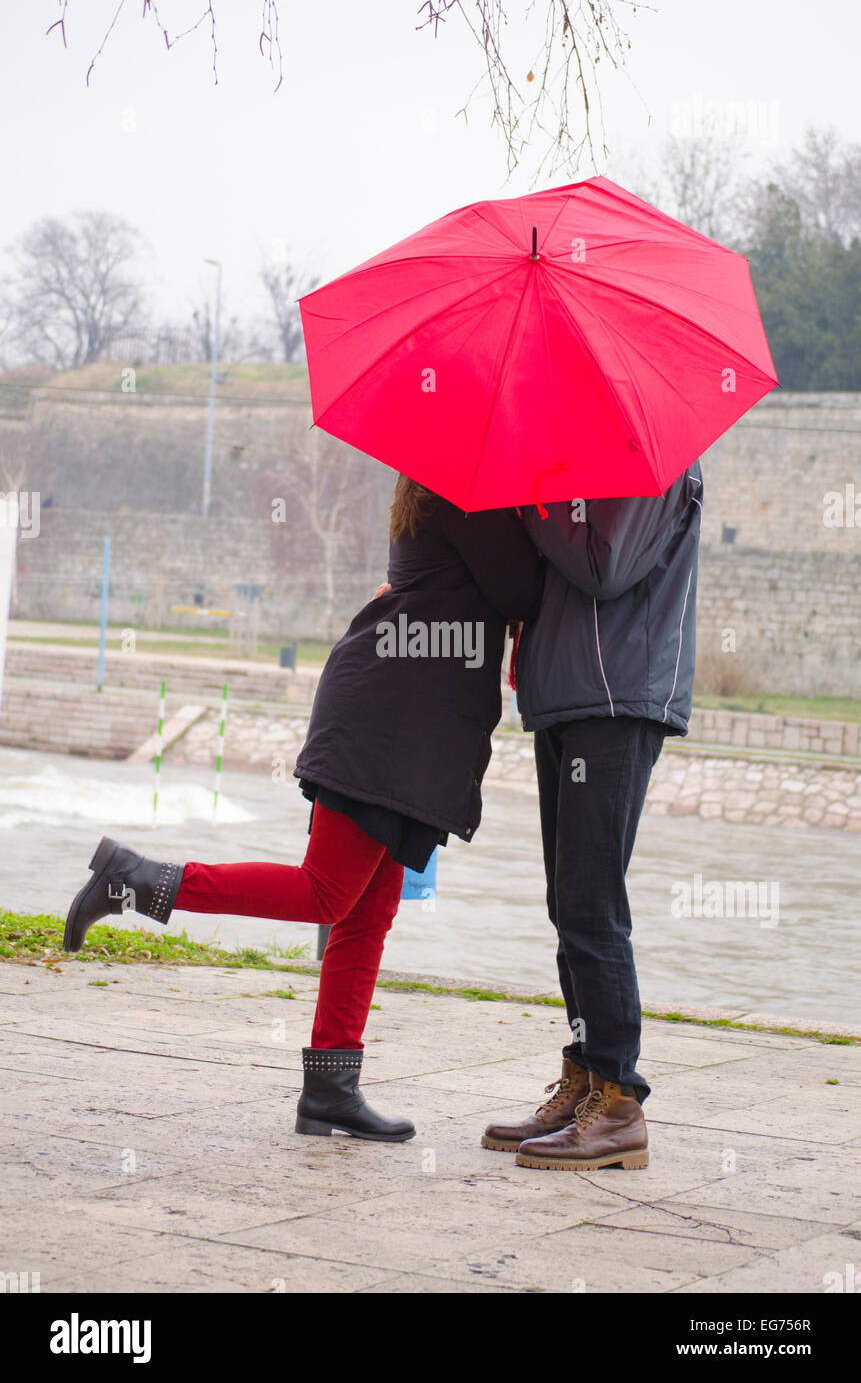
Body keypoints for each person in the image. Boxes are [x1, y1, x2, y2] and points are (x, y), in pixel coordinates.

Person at [63, 476, 544, 1144]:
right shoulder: (465, 490)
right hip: (386, 721)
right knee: (327, 893)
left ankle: (329, 1091)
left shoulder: (455, 491)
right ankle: (133, 878)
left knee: (367, 913)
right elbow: (523, 590)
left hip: (405, 720)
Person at [482, 461, 703, 1171]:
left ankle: (616, 1101)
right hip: (569, 695)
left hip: (618, 698)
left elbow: (604, 567)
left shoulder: (653, 457)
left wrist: (532, 501)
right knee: (568, 902)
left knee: (590, 902)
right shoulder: (575, 460)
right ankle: (582, 1078)